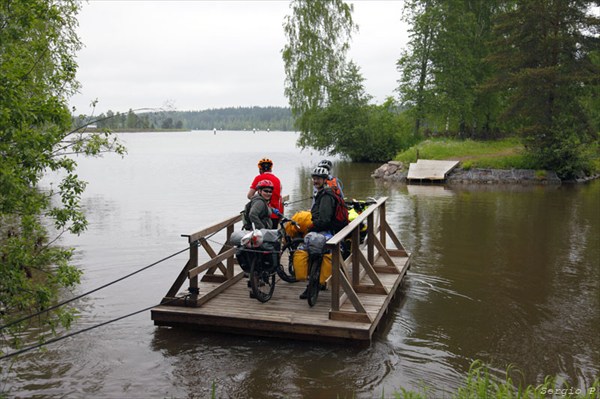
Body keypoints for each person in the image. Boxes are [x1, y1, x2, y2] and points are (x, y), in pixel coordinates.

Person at [300, 166, 337, 299]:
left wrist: (312, 227)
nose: (315, 181)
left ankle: (313, 284)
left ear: (325, 180)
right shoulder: (321, 192)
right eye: (314, 178)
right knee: (313, 253)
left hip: (326, 231)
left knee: (309, 251)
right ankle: (312, 284)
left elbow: (325, 219)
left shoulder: (326, 196)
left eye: (318, 179)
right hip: (323, 229)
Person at [247, 158, 283, 229]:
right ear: (271, 169)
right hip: (275, 215)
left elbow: (249, 195)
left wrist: (258, 201)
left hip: (263, 216)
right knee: (273, 238)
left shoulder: (258, 178)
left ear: (260, 170)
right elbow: (280, 199)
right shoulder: (277, 180)